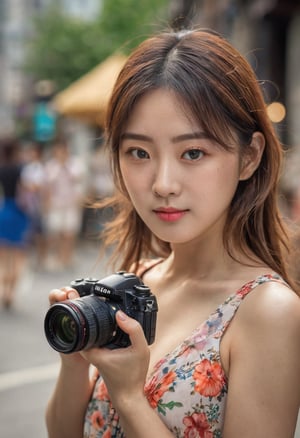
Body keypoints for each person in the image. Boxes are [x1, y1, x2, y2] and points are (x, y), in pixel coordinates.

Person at [45, 29, 300, 438]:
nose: (163, 183)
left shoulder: (268, 311)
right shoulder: (138, 278)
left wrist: (129, 396)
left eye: (193, 153)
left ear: (249, 157)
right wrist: (74, 360)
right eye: (139, 153)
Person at [43, 139, 86, 270]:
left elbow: (79, 180)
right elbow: (48, 185)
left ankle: (68, 257)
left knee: (69, 232)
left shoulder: (75, 164)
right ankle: (58, 257)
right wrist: (46, 202)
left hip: (71, 204)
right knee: (56, 232)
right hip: (56, 204)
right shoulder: (51, 166)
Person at [0, 137, 30, 308]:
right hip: (19, 212)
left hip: (4, 211)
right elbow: (27, 189)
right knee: (18, 256)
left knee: (3, 258)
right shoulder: (21, 169)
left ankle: (3, 290)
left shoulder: (2, 169)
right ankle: (11, 292)